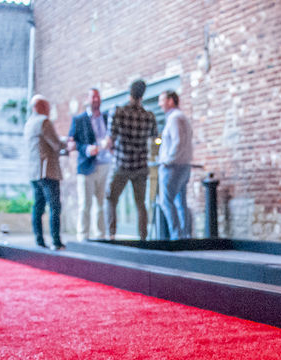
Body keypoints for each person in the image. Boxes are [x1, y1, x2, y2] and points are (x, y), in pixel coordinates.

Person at [106, 80, 157, 240]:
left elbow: (110, 139)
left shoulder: (118, 111)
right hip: (141, 165)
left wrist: (110, 149)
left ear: (129, 92)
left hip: (122, 164)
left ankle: (111, 234)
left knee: (111, 198)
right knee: (140, 204)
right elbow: (155, 138)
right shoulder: (148, 116)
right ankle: (143, 237)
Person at [68, 88, 112, 240]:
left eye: (98, 97)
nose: (96, 100)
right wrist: (86, 149)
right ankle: (83, 236)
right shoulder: (79, 120)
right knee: (85, 204)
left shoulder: (106, 117)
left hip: (104, 163)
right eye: (93, 97)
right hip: (87, 166)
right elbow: (72, 142)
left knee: (101, 204)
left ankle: (100, 235)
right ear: (87, 99)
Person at [24, 95, 67, 250]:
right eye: (47, 106)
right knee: (54, 207)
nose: (48, 110)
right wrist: (67, 143)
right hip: (47, 171)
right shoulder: (44, 122)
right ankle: (56, 241)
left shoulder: (28, 123)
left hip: (34, 172)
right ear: (40, 106)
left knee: (38, 207)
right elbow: (56, 144)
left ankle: (39, 240)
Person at [157, 90, 193, 240]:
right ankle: (185, 236)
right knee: (180, 202)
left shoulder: (174, 118)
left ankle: (177, 236)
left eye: (162, 100)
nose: (159, 104)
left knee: (166, 202)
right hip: (183, 165)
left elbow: (177, 142)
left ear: (171, 101)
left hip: (173, 167)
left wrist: (167, 160)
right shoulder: (183, 117)